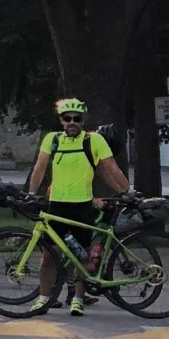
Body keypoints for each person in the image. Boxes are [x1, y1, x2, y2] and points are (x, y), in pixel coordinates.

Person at [24, 96, 131, 315]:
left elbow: (111, 167)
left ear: (83, 121)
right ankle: (44, 298)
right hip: (57, 207)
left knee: (80, 256)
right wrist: (31, 194)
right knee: (48, 256)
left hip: (82, 206)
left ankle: (78, 299)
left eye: (76, 118)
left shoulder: (94, 140)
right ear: (61, 121)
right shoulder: (52, 140)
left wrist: (127, 191)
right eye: (67, 118)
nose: (71, 122)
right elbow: (39, 167)